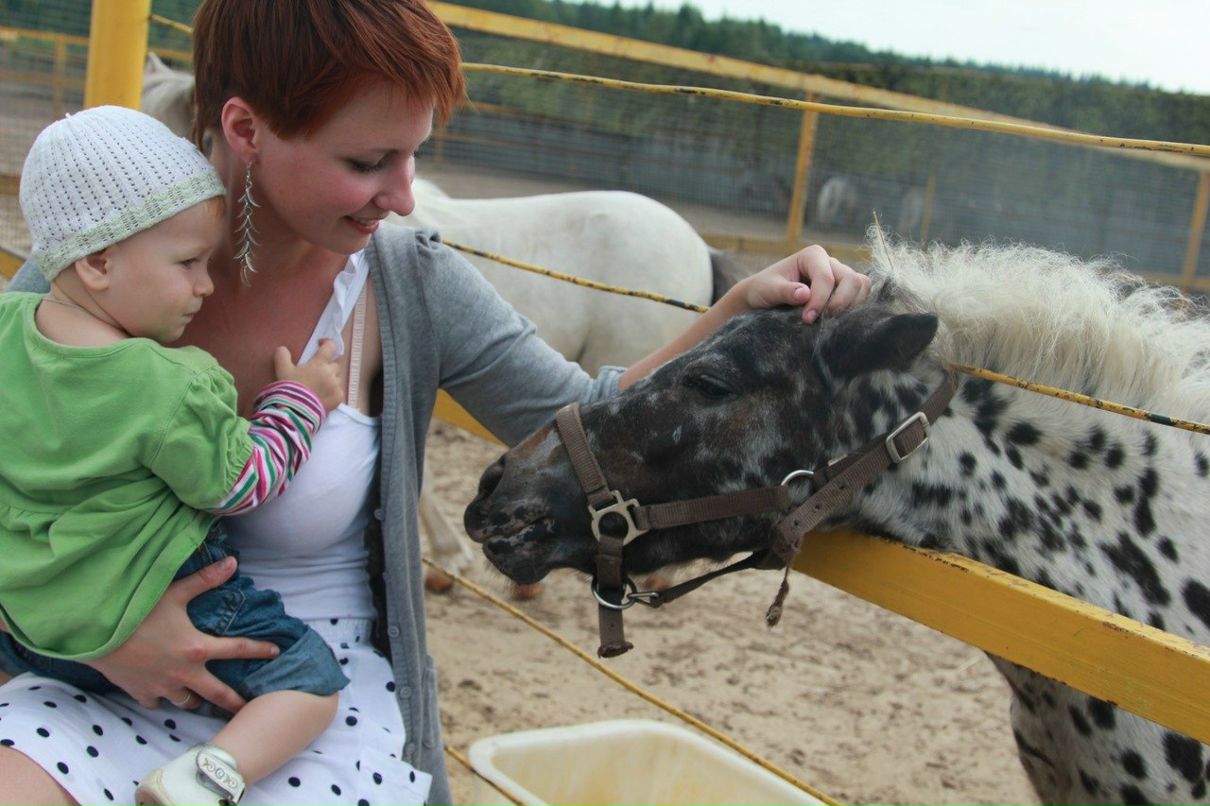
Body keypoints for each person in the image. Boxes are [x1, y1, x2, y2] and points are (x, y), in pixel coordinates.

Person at [0, 2, 872, 804]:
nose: (406, 195)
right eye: (367, 161)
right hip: (85, 666)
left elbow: (577, 414)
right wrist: (90, 634)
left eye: (415, 155)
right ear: (246, 128)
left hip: (309, 689)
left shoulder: (411, 282)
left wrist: (734, 309)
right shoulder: (92, 264)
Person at [0, 105, 365, 805]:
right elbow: (244, 481)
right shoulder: (167, 382)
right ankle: (206, 776)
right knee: (312, 684)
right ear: (99, 261)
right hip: (167, 602)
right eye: (189, 263)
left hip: (32, 626)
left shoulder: (9, 330)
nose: (205, 285)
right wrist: (302, 402)